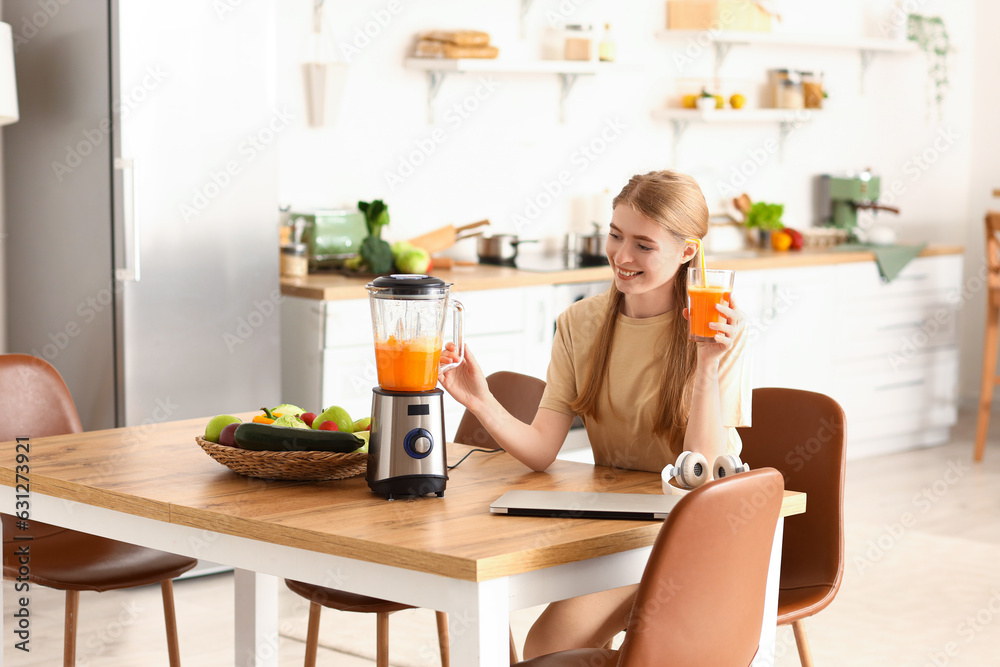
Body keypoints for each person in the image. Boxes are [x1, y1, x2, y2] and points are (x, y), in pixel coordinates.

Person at [438, 169, 751, 658]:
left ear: (688, 251)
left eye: (644, 245)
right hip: (612, 526)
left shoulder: (719, 327)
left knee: (546, 645)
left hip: (692, 531)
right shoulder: (579, 323)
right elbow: (542, 449)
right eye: (615, 235)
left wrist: (707, 363)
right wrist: (478, 398)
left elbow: (702, 474)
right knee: (514, 627)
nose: (622, 257)